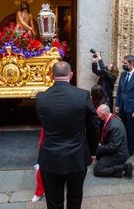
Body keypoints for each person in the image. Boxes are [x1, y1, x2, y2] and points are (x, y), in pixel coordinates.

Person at [36, 61, 100, 209]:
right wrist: (93, 151)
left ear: (52, 76)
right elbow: (94, 125)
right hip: (77, 156)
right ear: (71, 75)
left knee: (53, 202)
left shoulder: (41, 98)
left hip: (50, 157)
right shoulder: (83, 95)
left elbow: (43, 122)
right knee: (75, 198)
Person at [115, 54, 134, 156]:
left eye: (125, 63)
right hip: (122, 107)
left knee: (131, 131)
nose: (124, 65)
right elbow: (119, 91)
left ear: (131, 64)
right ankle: (123, 147)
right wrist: (117, 105)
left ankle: (130, 151)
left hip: (132, 109)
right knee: (123, 129)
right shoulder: (123, 74)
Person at [94, 104, 133, 178]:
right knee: (98, 156)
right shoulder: (110, 119)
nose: (98, 117)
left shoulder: (114, 126)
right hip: (114, 150)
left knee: (97, 170)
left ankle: (125, 168)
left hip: (118, 154)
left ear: (105, 114)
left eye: (99, 115)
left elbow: (113, 147)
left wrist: (98, 147)